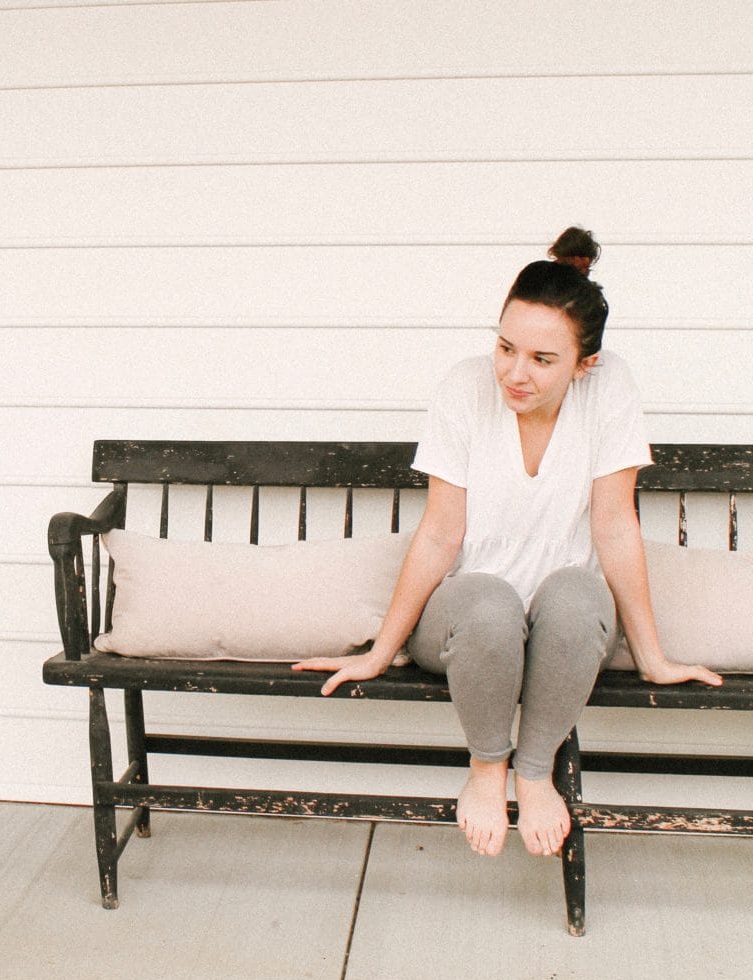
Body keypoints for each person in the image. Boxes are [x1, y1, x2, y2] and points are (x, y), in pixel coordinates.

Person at [293, 228, 722, 859]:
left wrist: (652, 656)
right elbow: (440, 531)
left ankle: (534, 770)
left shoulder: (612, 389)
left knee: (577, 593)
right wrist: (380, 651)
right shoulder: (463, 388)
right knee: (491, 601)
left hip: (564, 630)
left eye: (542, 360)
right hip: (467, 621)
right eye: (505, 347)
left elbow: (614, 525)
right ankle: (488, 766)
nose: (514, 374)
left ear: (586, 363)